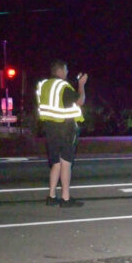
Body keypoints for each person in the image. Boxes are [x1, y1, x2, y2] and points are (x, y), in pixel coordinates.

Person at [36, 59, 87, 207]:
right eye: (65, 70)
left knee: (56, 163)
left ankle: (51, 196)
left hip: (49, 128)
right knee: (66, 163)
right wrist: (81, 85)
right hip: (65, 128)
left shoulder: (43, 85)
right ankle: (65, 198)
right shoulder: (62, 86)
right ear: (60, 71)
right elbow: (80, 101)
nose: (67, 72)